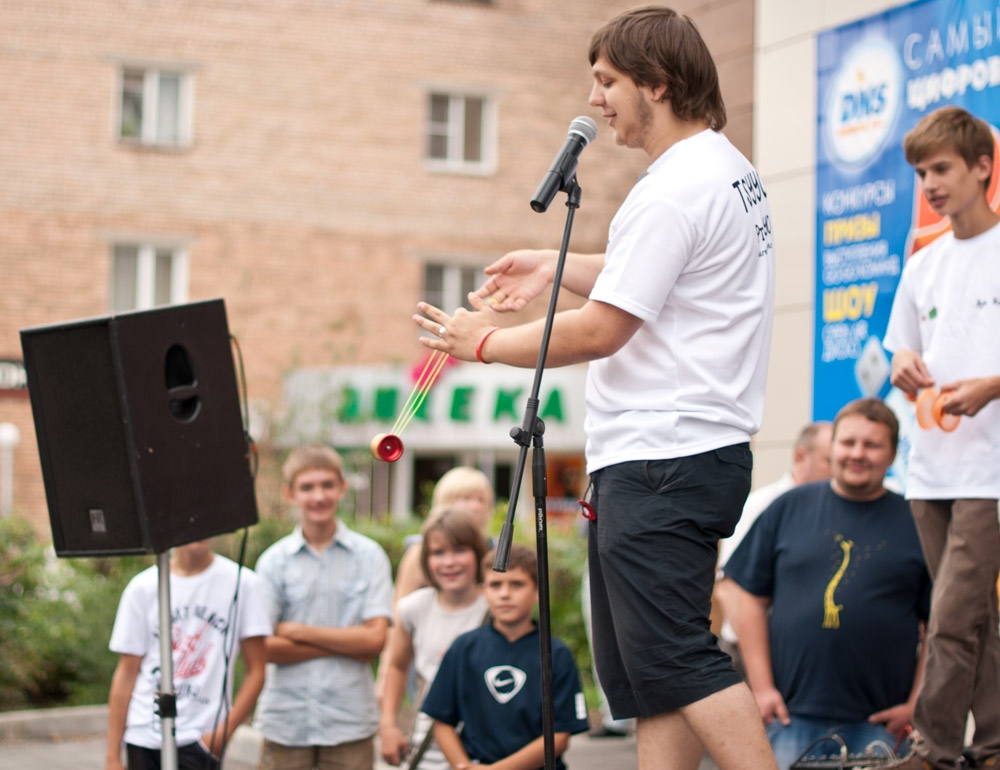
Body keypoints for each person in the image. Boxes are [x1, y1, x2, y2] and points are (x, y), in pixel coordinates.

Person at [412, 6, 777, 769]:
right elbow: (652, 274)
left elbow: (603, 329)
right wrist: (554, 264)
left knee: (677, 659)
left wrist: (483, 343)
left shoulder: (676, 187)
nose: (595, 99)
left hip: (663, 457)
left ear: (658, 83)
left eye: (608, 81)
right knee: (653, 679)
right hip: (680, 454)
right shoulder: (721, 170)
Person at [716, 399, 931, 770]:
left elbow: (939, 624)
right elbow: (740, 592)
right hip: (790, 719)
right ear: (833, 448)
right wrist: (762, 688)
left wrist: (918, 703)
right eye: (848, 442)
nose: (857, 453)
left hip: (881, 725)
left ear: (893, 454)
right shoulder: (788, 508)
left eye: (872, 445)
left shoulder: (916, 522)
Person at [881, 106, 1000, 770]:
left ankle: (932, 750)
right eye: (922, 172)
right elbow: (902, 349)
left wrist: (992, 386)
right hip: (928, 471)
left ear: (982, 167)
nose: (929, 183)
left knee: (952, 618)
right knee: (975, 619)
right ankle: (994, 746)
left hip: (990, 472)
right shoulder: (923, 265)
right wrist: (902, 363)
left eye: (942, 168)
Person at [252, 444, 393, 770]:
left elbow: (375, 641)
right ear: (290, 493)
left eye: (327, 485)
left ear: (342, 487)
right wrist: (349, 644)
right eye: (307, 487)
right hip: (286, 720)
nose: (318, 496)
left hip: (349, 719)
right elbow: (263, 648)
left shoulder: (369, 556)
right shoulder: (273, 562)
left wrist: (296, 631)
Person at [420, 544, 590, 770]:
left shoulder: (556, 654)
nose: (505, 594)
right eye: (495, 585)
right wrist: (463, 766)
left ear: (538, 591)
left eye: (517, 584)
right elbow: (441, 721)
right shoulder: (463, 648)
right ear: (483, 591)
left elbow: (559, 736)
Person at [105, 538, 271, 770]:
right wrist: (112, 756)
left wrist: (220, 736)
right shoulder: (142, 587)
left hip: (200, 738)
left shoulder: (243, 583)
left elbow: (257, 670)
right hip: (144, 735)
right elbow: (126, 673)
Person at [714, 422, 833, 673]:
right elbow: (728, 589)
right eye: (829, 461)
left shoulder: (832, 511)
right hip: (752, 655)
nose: (837, 470)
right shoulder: (763, 506)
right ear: (800, 456)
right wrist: (760, 669)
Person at [379, 508, 489, 769]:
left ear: (478, 552)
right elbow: (397, 666)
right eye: (438, 553)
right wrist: (388, 725)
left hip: (484, 744)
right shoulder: (414, 607)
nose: (449, 562)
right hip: (429, 744)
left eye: (459, 550)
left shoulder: (494, 608)